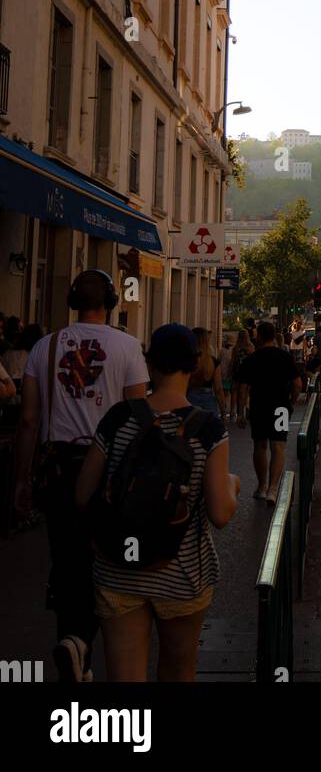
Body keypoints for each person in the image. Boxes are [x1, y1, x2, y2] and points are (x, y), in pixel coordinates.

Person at [75, 323, 239, 682]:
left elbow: (82, 493)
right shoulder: (208, 429)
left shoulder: (119, 418)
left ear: (149, 364)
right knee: (178, 668)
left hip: (117, 568)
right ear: (194, 366)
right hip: (181, 573)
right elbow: (220, 514)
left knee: (125, 675)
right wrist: (231, 484)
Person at [14, 269, 148, 683]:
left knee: (66, 560)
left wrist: (20, 479)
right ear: (110, 302)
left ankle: (73, 647)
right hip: (107, 472)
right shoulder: (127, 346)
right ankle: (83, 647)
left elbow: (29, 420)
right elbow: (137, 420)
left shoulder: (45, 347)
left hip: (57, 470)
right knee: (105, 563)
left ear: (73, 301)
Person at [235, 321, 302, 503]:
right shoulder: (284, 356)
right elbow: (297, 384)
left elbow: (242, 389)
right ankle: (273, 488)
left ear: (260, 337)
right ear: (273, 336)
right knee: (278, 446)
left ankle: (262, 486)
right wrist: (292, 402)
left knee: (260, 446)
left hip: (259, 406)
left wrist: (240, 413)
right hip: (281, 406)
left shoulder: (252, 358)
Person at [187, 328, 226, 421]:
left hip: (189, 398)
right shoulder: (213, 362)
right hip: (208, 401)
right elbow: (218, 389)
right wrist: (223, 411)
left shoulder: (187, 360)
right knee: (210, 431)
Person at [229, 329, 253, 424]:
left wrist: (230, 371)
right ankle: (242, 413)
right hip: (246, 371)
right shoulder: (250, 346)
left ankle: (238, 412)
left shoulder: (236, 347)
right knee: (244, 393)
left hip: (238, 371)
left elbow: (233, 360)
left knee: (237, 392)